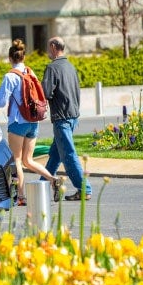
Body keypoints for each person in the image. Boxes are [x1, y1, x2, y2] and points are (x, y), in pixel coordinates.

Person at [0, 39, 61, 206]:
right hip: (33, 120)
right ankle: (53, 179)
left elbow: (0, 102)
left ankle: (21, 197)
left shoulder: (10, 76)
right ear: (23, 57)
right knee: (28, 160)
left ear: (10, 58)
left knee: (16, 159)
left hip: (17, 122)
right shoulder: (31, 72)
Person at [40, 36, 92, 201]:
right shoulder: (70, 66)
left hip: (61, 117)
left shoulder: (52, 68)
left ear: (54, 47)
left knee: (68, 154)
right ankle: (42, 184)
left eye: (49, 47)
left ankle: (85, 189)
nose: (48, 51)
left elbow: (46, 93)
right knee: (55, 154)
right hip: (72, 116)